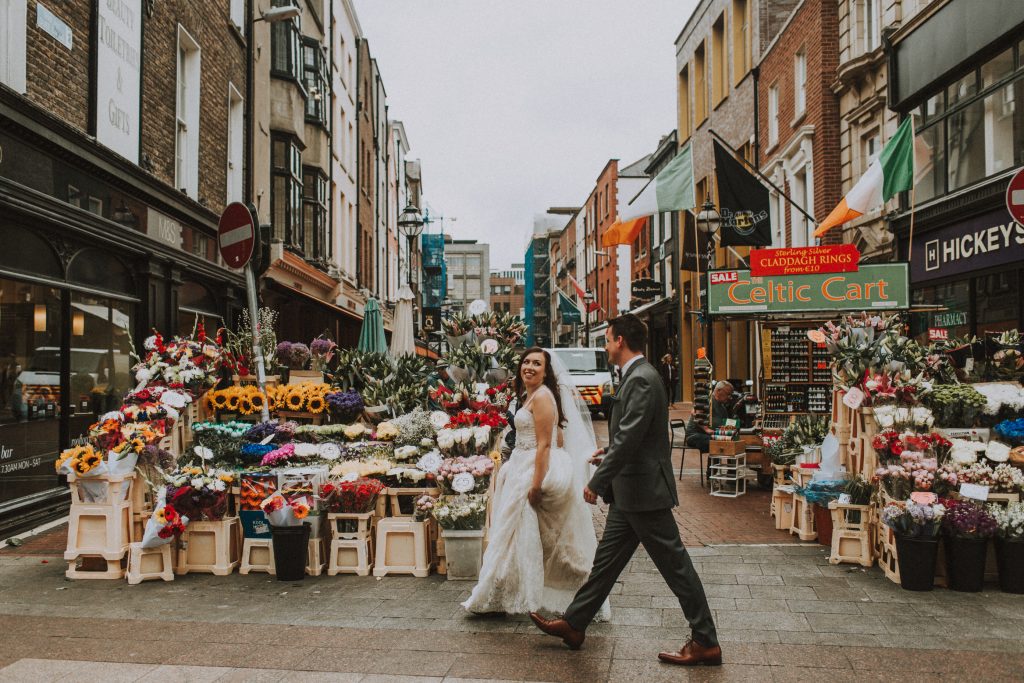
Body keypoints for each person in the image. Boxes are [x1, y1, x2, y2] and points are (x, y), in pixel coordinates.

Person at [530, 314, 721, 667]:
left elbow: (632, 435)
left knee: (676, 567)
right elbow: (635, 434)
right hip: (631, 493)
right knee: (605, 565)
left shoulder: (642, 379)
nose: (605, 345)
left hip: (644, 494)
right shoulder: (636, 376)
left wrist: (597, 481)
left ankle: (706, 641)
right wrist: (610, 451)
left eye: (607, 339)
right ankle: (574, 624)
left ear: (620, 341)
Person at [462, 348, 608, 619]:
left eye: (536, 363)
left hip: (531, 470)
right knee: (517, 535)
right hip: (521, 466)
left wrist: (537, 485)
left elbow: (544, 445)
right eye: (526, 362)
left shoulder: (542, 397)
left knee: (542, 538)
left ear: (546, 370)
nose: (529, 367)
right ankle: (499, 592)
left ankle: (576, 595)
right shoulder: (531, 395)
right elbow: (558, 436)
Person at [684, 380, 736, 454]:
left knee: (731, 442)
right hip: (695, 436)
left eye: (731, 395)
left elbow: (726, 425)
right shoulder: (706, 399)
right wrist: (706, 429)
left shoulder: (723, 407)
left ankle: (728, 465)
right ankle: (714, 465)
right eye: (728, 394)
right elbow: (695, 413)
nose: (730, 397)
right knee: (717, 442)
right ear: (718, 391)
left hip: (709, 436)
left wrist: (732, 431)